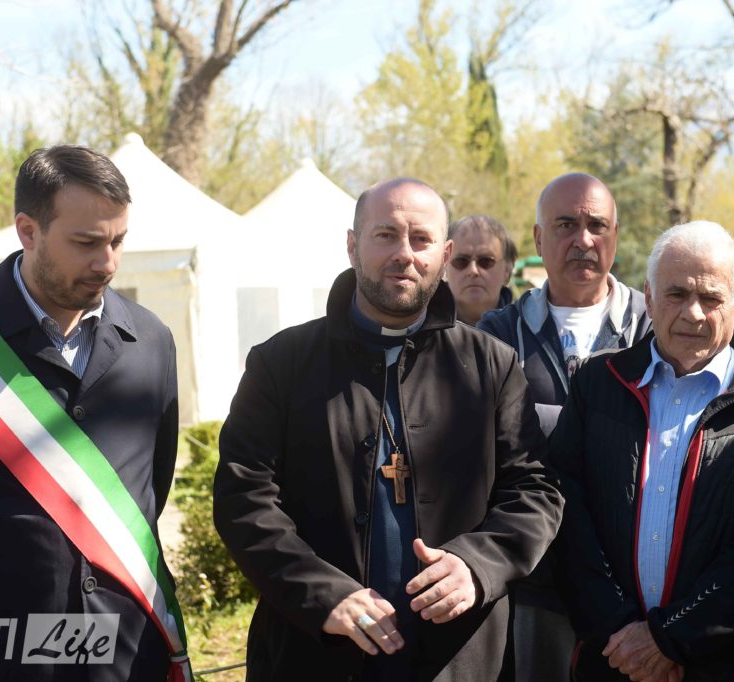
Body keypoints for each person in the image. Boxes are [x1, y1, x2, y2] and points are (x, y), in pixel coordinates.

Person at [213, 177, 564, 681]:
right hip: (317, 652)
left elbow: (534, 489)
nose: (405, 254)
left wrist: (477, 565)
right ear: (352, 245)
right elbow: (243, 496)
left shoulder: (493, 364)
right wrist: (321, 593)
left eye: (421, 239)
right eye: (385, 235)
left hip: (458, 657)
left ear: (444, 254)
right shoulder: (281, 363)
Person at [0, 146, 189, 681]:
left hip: (124, 658)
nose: (107, 263)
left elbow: (150, 490)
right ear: (27, 231)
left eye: (117, 241)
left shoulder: (152, 341)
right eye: (86, 243)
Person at [550, 221, 734, 681]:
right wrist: (623, 635)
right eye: (676, 294)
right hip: (610, 657)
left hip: (724, 665)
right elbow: (568, 512)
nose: (693, 313)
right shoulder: (598, 383)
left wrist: (670, 640)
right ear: (649, 297)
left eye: (711, 298)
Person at [477, 172, 650, 680]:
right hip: (535, 580)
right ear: (537, 238)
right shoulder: (498, 333)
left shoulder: (653, 328)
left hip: (633, 588)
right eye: (566, 225)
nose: (583, 240)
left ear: (616, 236)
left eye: (597, 226)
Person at [445, 214, 516, 325]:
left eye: (486, 261)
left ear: (507, 271)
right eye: (461, 261)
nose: (473, 271)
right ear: (445, 268)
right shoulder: (420, 328)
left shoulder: (524, 330)